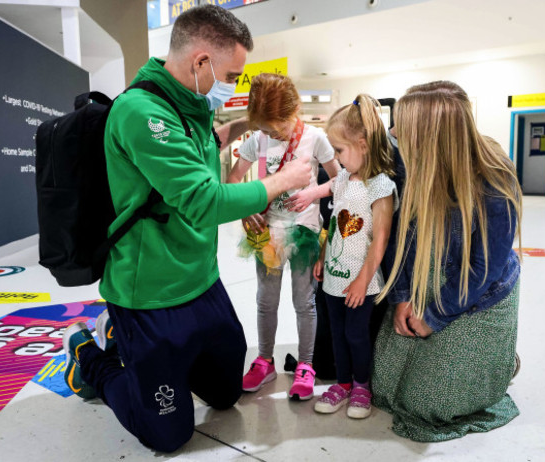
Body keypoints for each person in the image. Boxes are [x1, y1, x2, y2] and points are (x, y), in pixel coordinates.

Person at [61, 5, 312, 453]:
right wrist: (281, 181)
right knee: (167, 436)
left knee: (225, 395)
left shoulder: (192, 104)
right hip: (152, 294)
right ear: (200, 62)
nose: (233, 86)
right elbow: (202, 201)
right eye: (232, 76)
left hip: (202, 282)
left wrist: (247, 125)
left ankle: (129, 344)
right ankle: (91, 359)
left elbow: (205, 144)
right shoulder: (142, 113)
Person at [372, 80, 523, 442]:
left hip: (477, 294)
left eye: (403, 125)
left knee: (429, 404)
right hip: (426, 276)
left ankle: (498, 361)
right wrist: (403, 298)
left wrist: (436, 315)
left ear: (432, 133)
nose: (393, 132)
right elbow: (400, 239)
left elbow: (484, 269)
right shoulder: (411, 165)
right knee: (385, 385)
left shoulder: (493, 177)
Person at [227, 73, 340, 401]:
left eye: (276, 128)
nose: (271, 134)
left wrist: (312, 193)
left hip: (303, 232)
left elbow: (342, 179)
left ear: (296, 111)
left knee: (304, 302)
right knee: (266, 300)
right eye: (265, 129)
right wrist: (247, 208)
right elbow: (233, 179)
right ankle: (264, 360)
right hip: (266, 233)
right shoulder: (257, 139)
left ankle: (306, 365)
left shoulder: (316, 138)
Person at [311, 94, 397, 419]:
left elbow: (381, 239)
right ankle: (343, 383)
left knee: (355, 334)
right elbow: (334, 221)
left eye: (340, 151)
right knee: (336, 333)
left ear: (362, 144)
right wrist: (323, 256)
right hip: (333, 277)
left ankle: (362, 385)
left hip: (361, 281)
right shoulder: (344, 178)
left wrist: (363, 279)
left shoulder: (381, 185)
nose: (336, 158)